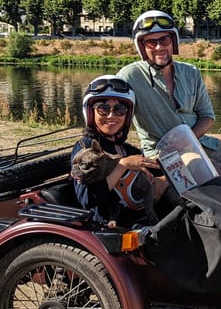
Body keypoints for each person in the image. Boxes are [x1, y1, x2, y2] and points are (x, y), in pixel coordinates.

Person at [116, 10, 221, 175]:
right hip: (162, 154)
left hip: (202, 143)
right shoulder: (129, 76)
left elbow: (207, 116)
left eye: (164, 39)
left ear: (173, 41)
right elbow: (112, 113)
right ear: (142, 46)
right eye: (151, 42)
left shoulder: (191, 72)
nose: (159, 47)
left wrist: (186, 140)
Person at [71, 75, 173, 228]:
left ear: (127, 115)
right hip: (110, 226)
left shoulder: (125, 148)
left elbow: (156, 169)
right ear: (91, 112)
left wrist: (166, 179)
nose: (111, 116)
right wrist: (123, 164)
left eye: (119, 110)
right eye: (103, 109)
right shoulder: (86, 147)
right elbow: (87, 198)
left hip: (139, 216)